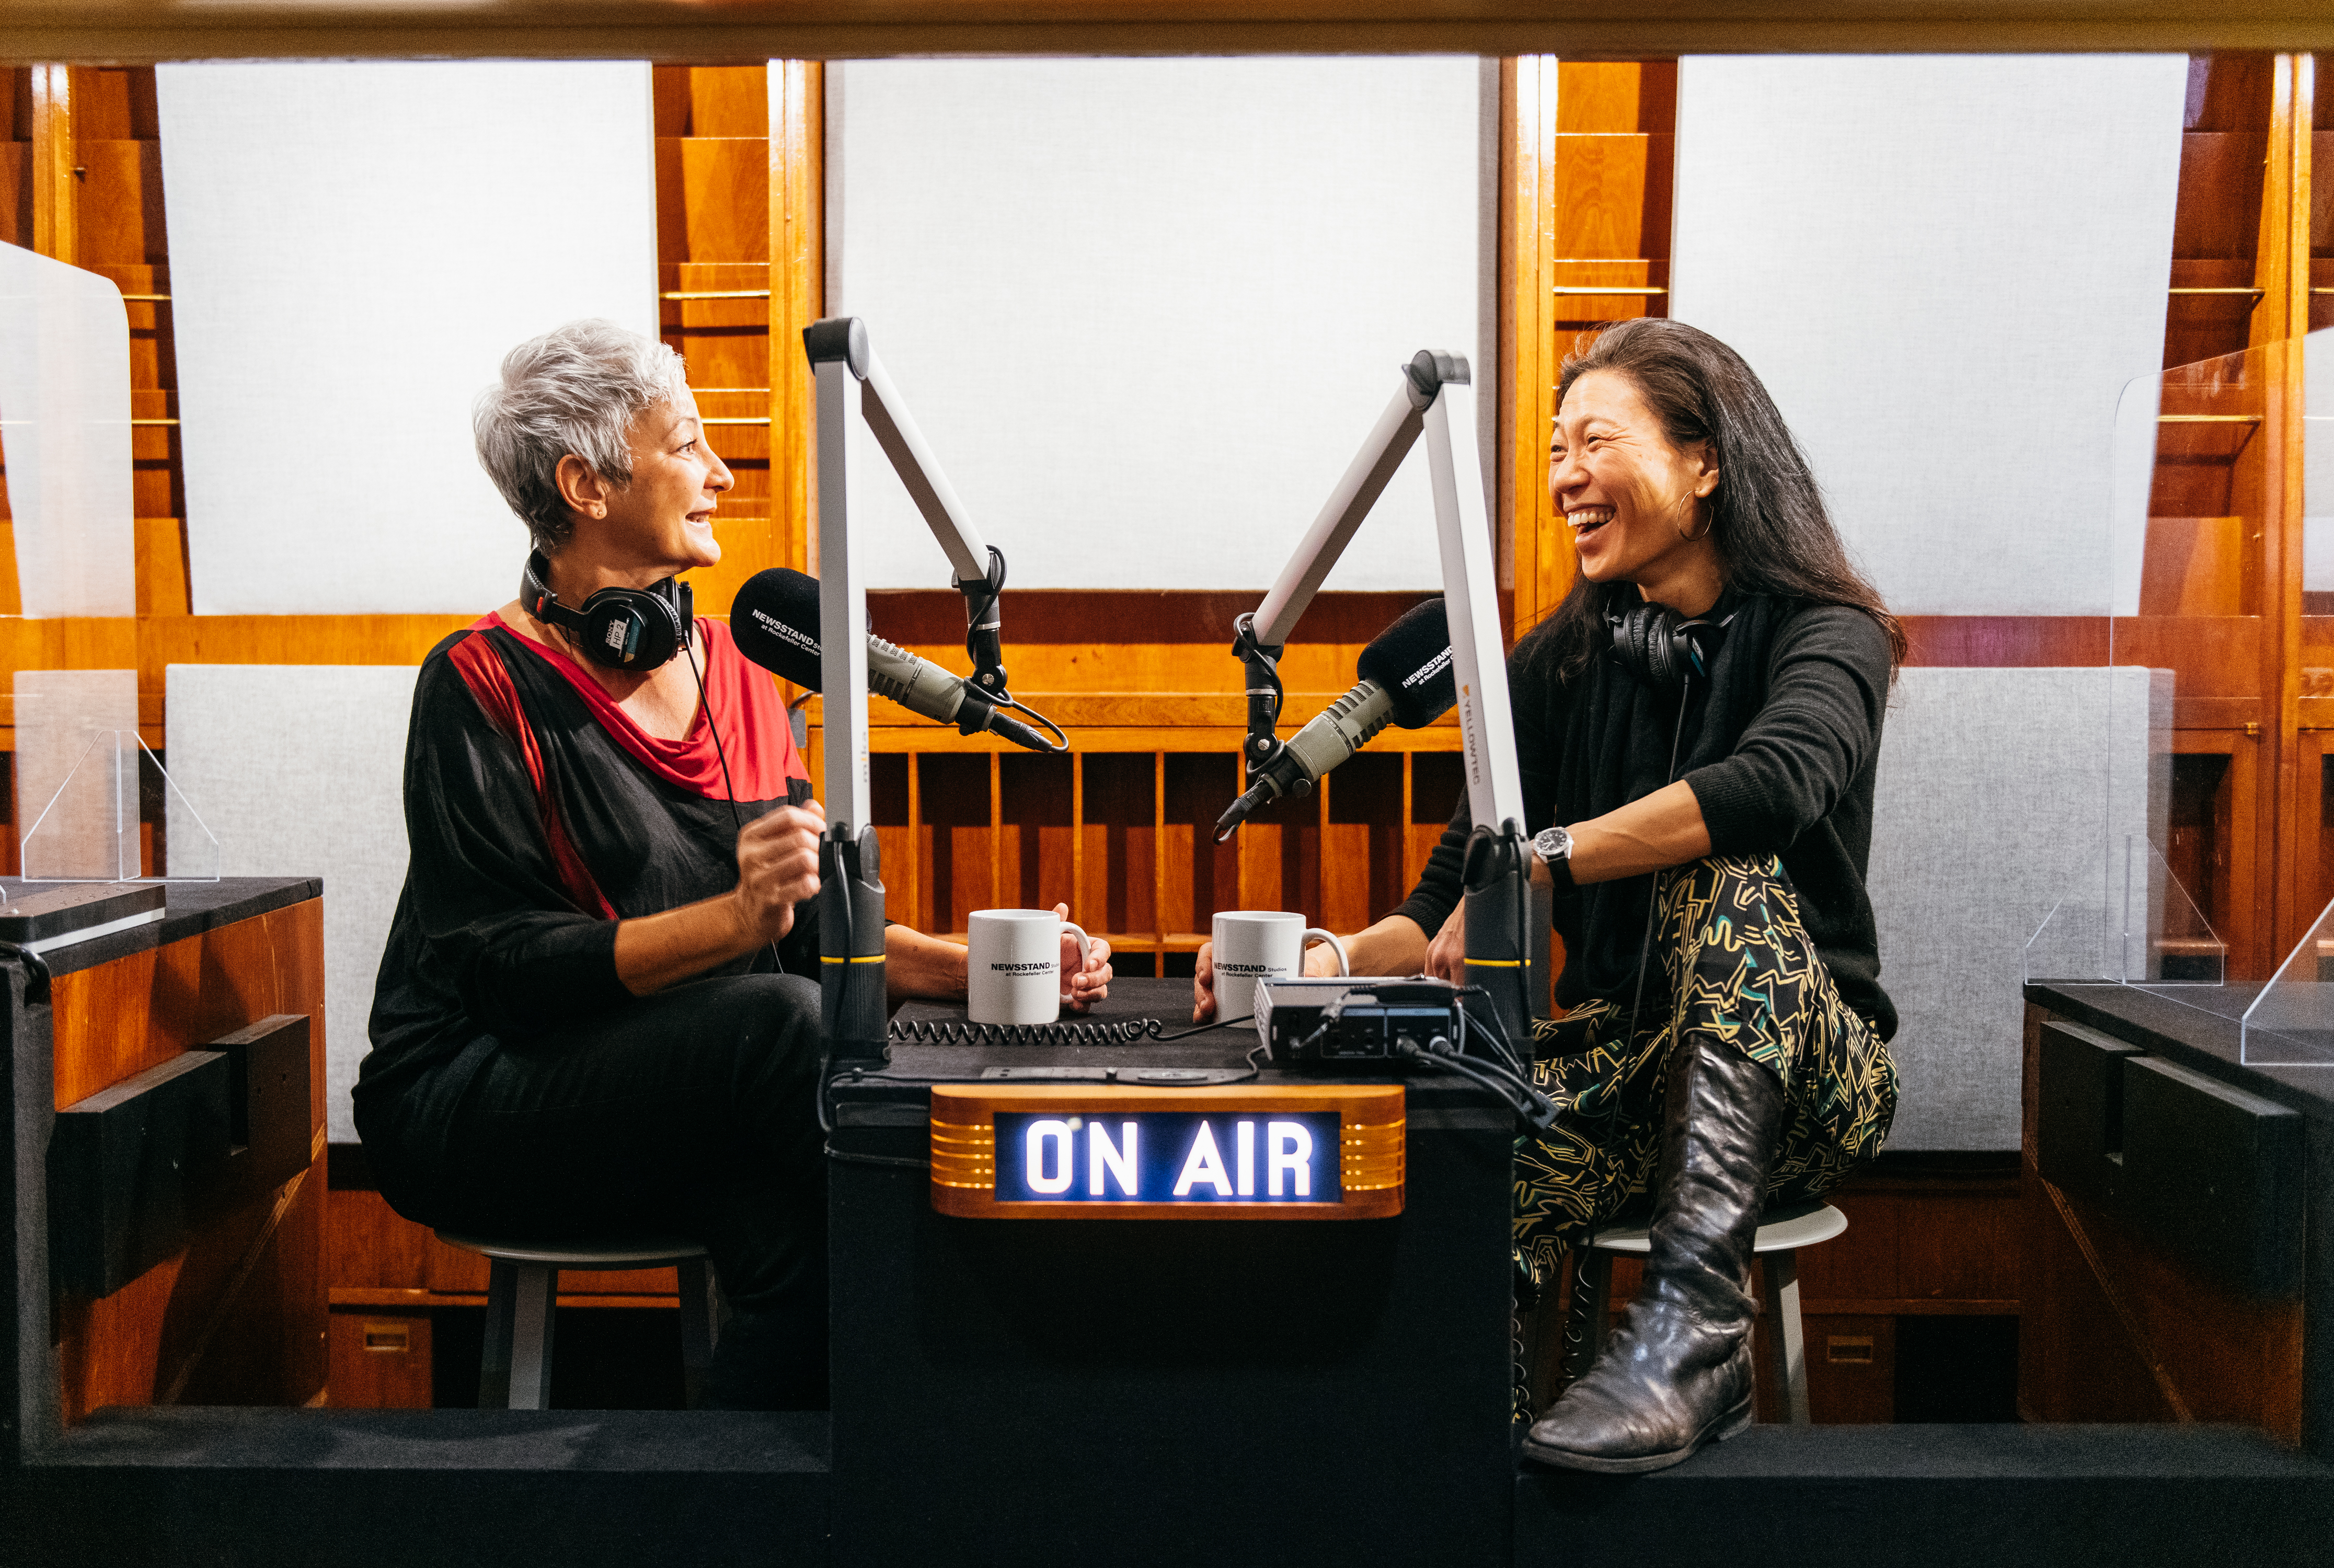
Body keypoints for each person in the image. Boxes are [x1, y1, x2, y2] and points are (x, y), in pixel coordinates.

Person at [354, 319, 1112, 1409]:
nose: (720, 474)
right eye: (689, 446)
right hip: (476, 1095)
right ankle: (965, 1390)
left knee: (796, 1238)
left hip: (674, 1078)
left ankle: (791, 1504)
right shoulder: (477, 683)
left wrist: (995, 968)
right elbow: (505, 975)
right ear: (587, 482)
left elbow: (804, 927)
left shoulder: (738, 673)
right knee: (790, 1022)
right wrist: (734, 926)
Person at [1193, 317, 1899, 1471]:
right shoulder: (1560, 662)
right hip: (1625, 1076)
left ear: (1705, 461)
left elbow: (1774, 786)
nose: (1566, 474)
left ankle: (1692, 1331)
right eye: (1556, 449)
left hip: (1806, 1088)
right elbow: (1438, 902)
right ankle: (1476, 1473)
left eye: (1596, 441)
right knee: (1458, 1154)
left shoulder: (1833, 635)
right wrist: (1306, 970)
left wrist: (1542, 857)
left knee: (1720, 877)